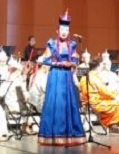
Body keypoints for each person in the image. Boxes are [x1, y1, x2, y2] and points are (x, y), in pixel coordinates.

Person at [38, 9, 86, 146]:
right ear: (57, 30)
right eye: (62, 29)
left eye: (67, 29)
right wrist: (59, 63)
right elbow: (45, 60)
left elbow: (76, 59)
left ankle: (69, 134)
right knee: (57, 104)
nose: (64, 32)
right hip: (55, 76)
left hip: (67, 77)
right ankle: (53, 134)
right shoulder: (52, 44)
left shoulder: (72, 45)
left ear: (69, 31)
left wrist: (71, 63)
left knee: (68, 104)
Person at [79, 58, 119, 133]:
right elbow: (104, 91)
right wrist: (114, 94)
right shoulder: (95, 77)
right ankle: (111, 124)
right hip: (96, 102)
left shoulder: (84, 77)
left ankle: (114, 125)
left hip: (88, 101)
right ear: (98, 67)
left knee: (115, 102)